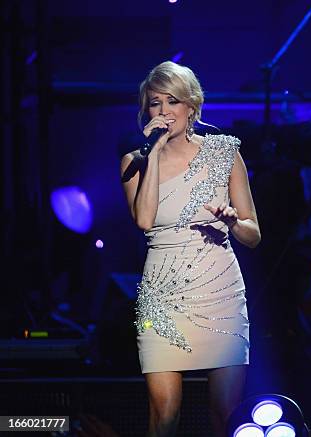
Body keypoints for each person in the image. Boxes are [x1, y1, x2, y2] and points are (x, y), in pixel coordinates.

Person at [120, 61, 261, 437]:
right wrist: (155, 153)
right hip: (163, 297)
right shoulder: (134, 163)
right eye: (155, 103)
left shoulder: (224, 153)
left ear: (192, 106)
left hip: (219, 293)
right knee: (164, 415)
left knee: (226, 414)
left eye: (173, 101)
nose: (164, 112)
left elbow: (253, 234)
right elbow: (144, 220)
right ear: (145, 111)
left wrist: (232, 221)